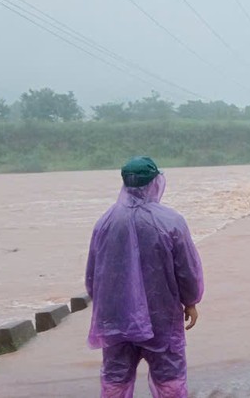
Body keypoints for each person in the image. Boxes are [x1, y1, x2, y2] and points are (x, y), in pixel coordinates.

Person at [85, 156, 204, 398]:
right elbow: (187, 269)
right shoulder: (171, 221)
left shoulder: (105, 222)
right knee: (169, 379)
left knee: (115, 379)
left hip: (115, 318)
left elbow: (93, 275)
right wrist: (191, 301)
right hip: (161, 316)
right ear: (154, 183)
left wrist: (104, 306)